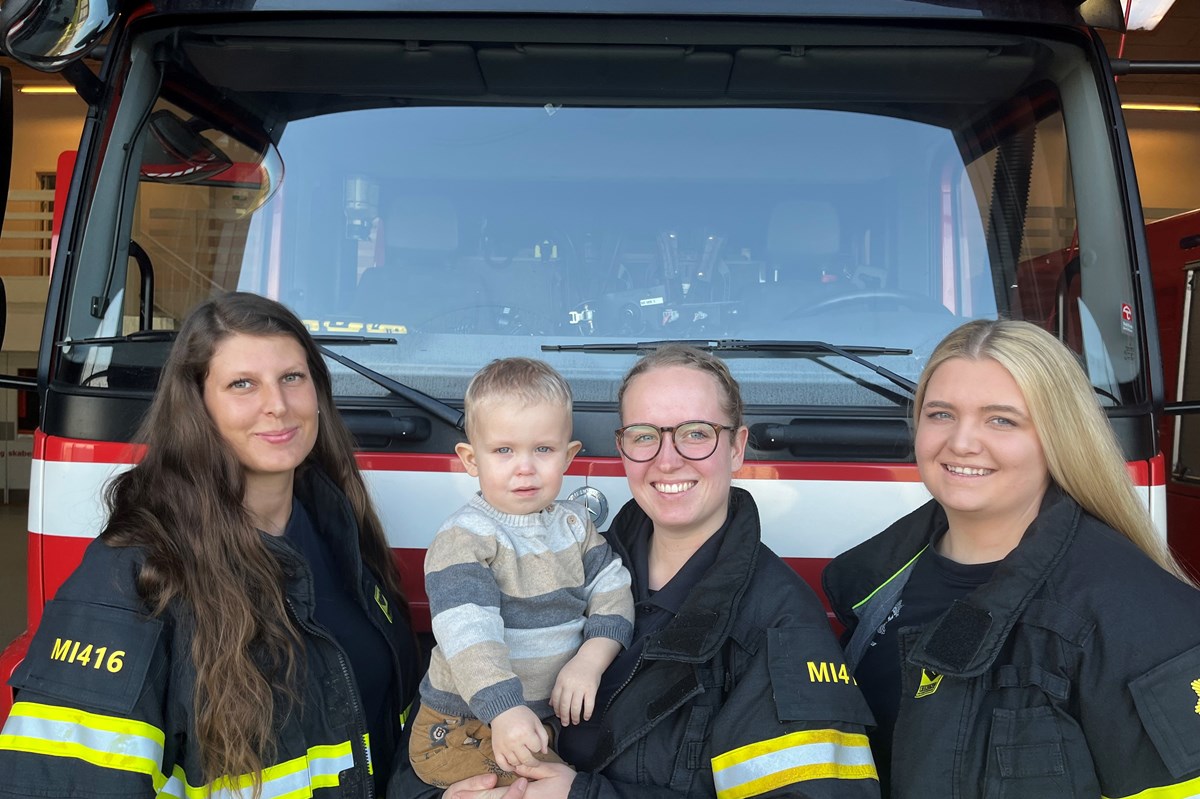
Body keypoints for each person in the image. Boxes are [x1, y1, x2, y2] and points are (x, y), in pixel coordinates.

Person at [395, 344, 879, 799]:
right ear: (623, 449)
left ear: (736, 448)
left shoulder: (780, 624)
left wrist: (583, 795)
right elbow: (435, 731)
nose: (668, 461)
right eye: (645, 436)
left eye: (696, 433)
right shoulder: (572, 557)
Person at [0, 292, 421, 798]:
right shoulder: (133, 574)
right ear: (198, 406)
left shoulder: (342, 535)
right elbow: (59, 785)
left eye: (293, 377)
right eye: (243, 384)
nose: (278, 405)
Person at [823, 318, 1200, 798]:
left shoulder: (1139, 618)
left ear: (1059, 437)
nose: (960, 443)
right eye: (941, 414)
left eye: (1001, 419)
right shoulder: (876, 583)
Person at [409, 358, 635, 786]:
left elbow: (613, 588)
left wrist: (591, 658)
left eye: (543, 449)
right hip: (463, 725)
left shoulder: (575, 526)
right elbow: (469, 633)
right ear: (471, 459)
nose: (525, 466)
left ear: (568, 456)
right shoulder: (466, 538)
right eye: (504, 450)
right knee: (554, 789)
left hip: (535, 720)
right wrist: (505, 708)